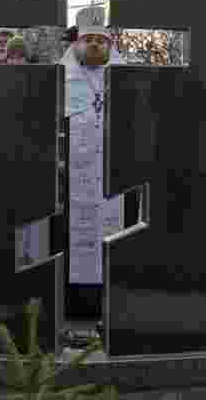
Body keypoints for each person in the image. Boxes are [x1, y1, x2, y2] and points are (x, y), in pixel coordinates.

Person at [60, 22, 124, 318]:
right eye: (89, 39)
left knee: (110, 238)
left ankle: (107, 306)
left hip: (113, 180)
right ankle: (71, 305)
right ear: (75, 45)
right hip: (70, 182)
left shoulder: (125, 81)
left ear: (111, 48)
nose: (96, 45)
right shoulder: (60, 81)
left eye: (102, 40)